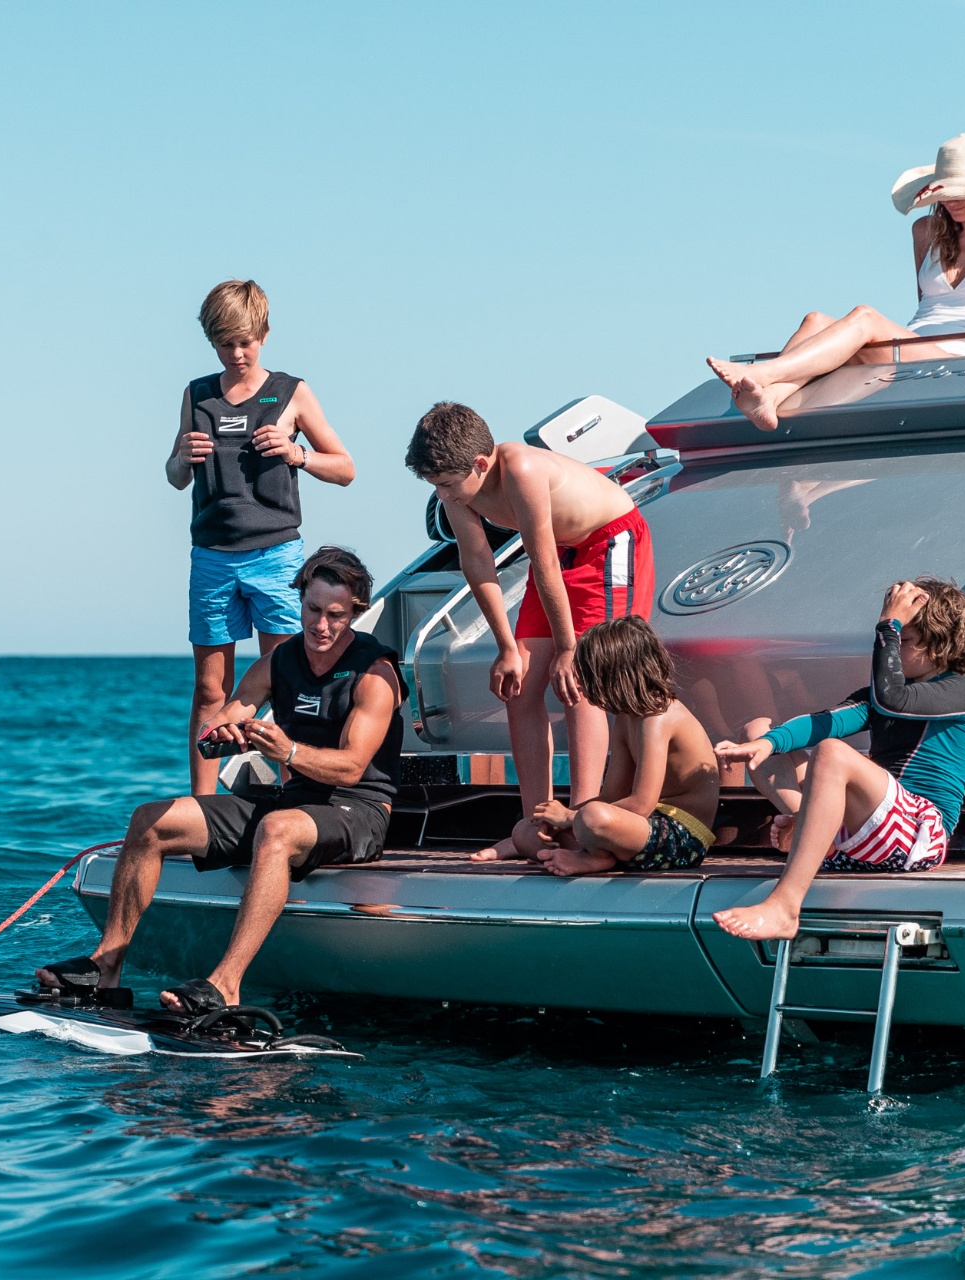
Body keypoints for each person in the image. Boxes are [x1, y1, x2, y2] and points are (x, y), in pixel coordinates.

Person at [34, 547, 402, 1013]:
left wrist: (285, 750)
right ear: (300, 600)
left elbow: (351, 767)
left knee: (276, 829)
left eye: (335, 615)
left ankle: (226, 983)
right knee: (150, 820)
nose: (321, 626)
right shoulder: (279, 661)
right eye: (312, 610)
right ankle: (106, 966)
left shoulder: (376, 672)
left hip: (357, 811)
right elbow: (232, 712)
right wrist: (222, 732)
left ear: (355, 613)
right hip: (293, 801)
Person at [404, 402, 655, 858]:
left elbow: (540, 564)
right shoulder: (457, 492)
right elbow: (477, 562)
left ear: (480, 464)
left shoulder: (520, 467)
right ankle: (535, 825)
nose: (441, 495)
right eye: (434, 485)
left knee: (580, 682)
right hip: (563, 556)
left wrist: (567, 649)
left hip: (608, 542)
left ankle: (582, 822)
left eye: (444, 484)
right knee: (518, 688)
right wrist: (506, 647)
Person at [705, 134, 965, 431]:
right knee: (814, 319)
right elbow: (927, 306)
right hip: (912, 349)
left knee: (865, 317)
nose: (951, 201)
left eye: (963, 191)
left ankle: (761, 374)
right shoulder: (925, 230)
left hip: (964, 359)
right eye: (945, 192)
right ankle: (770, 398)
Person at [711, 578, 965, 941]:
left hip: (917, 836)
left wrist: (888, 625)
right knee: (759, 731)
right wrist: (767, 744)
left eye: (904, 641)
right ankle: (812, 831)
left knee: (833, 754)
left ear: (940, 645)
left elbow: (892, 700)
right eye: (897, 639)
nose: (895, 648)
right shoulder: (888, 693)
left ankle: (785, 905)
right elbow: (830, 721)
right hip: (871, 831)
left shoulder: (960, 691)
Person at [168, 279, 356, 796]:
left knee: (286, 682)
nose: (236, 352)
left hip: (275, 554)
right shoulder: (197, 394)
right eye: (226, 343)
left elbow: (345, 468)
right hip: (211, 556)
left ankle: (294, 797)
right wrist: (181, 457)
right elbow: (174, 475)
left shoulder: (292, 391)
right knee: (210, 688)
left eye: (245, 341)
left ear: (265, 335)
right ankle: (203, 809)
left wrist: (298, 454)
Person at [498, 616, 722, 877]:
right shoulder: (626, 719)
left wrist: (571, 818)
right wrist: (558, 819)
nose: (580, 683)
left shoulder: (658, 718)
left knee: (591, 818)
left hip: (681, 837)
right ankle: (590, 854)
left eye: (587, 676)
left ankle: (595, 858)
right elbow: (611, 796)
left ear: (614, 675)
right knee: (525, 831)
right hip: (640, 828)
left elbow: (641, 804)